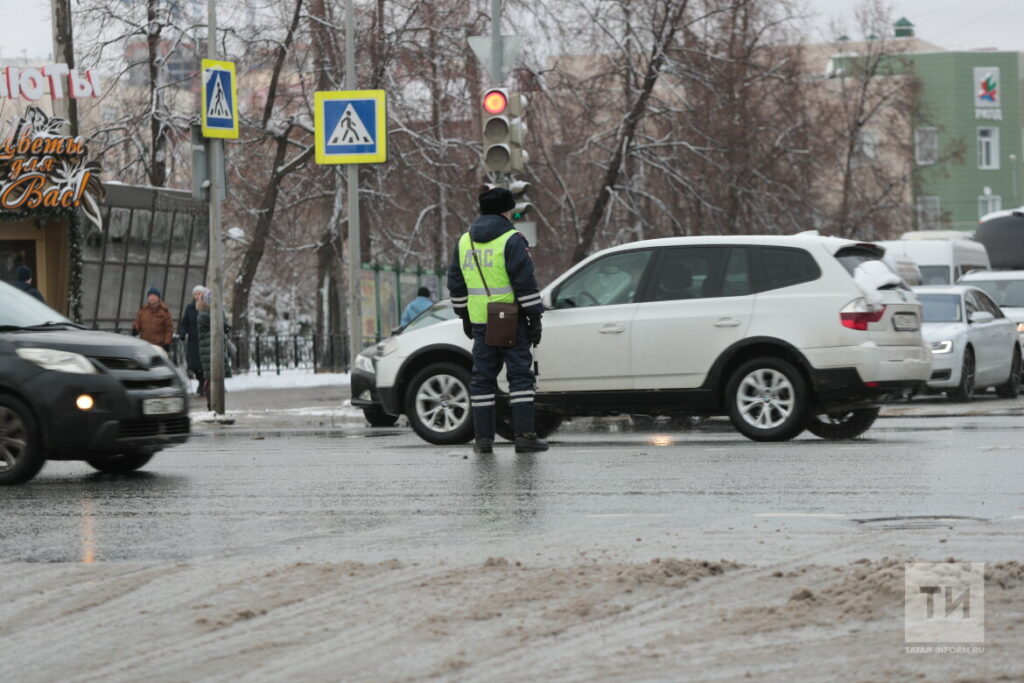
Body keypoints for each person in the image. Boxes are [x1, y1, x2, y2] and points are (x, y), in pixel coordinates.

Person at [448, 185, 546, 455]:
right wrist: (534, 317)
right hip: (508, 318)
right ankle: (525, 436)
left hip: (481, 321)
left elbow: (455, 284)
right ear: (506, 210)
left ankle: (483, 441)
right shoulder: (512, 239)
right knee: (520, 377)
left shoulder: (464, 241)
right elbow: (524, 283)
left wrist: (464, 315)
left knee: (482, 380)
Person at [196, 289, 232, 410]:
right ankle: (213, 406)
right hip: (209, 349)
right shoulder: (205, 314)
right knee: (211, 378)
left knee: (212, 378)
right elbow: (220, 324)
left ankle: (213, 406)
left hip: (213, 348)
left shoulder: (214, 312)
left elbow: (223, 325)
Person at [177, 285, 207, 394]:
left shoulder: (207, 306)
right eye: (195, 294)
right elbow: (185, 322)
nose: (197, 296)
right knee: (193, 365)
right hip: (193, 340)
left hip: (205, 339)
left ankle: (203, 384)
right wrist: (182, 332)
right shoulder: (189, 308)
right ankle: (201, 380)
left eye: (199, 294)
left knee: (204, 364)